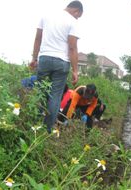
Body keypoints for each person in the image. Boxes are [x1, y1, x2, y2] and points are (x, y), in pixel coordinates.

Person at [29, 1, 83, 133]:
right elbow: (72, 47)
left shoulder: (46, 16)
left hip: (45, 59)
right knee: (55, 96)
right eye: (78, 16)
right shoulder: (72, 22)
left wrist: (34, 58)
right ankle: (47, 129)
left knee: (41, 92)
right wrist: (75, 71)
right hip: (61, 62)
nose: (77, 18)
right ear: (76, 11)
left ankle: (35, 125)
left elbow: (37, 39)